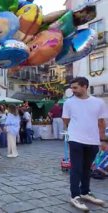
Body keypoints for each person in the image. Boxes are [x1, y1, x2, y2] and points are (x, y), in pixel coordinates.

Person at [62, 77, 107, 211]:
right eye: (72, 88)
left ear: (85, 86)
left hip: (93, 140)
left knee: (87, 168)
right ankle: (75, 195)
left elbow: (101, 122)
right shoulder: (69, 103)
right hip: (76, 139)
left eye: (75, 87)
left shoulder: (98, 102)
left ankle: (85, 192)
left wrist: (103, 140)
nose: (72, 90)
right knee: (76, 168)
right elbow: (65, 120)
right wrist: (75, 129)